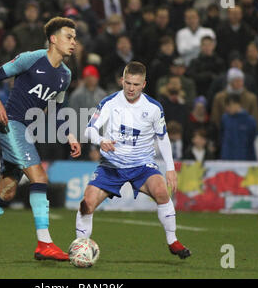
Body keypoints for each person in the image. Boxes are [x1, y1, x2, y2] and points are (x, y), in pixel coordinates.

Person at [0, 17, 81, 265]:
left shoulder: (65, 76)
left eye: (75, 38)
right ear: (53, 39)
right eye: (69, 37)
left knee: (7, 191)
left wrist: (68, 134)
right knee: (40, 178)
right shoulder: (31, 58)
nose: (73, 42)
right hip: (9, 123)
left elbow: (57, 110)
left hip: (26, 131)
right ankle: (45, 243)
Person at [77, 61, 191, 259]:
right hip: (112, 165)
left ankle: (172, 240)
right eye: (128, 83)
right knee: (87, 203)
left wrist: (170, 169)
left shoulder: (154, 108)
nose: (131, 88)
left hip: (142, 166)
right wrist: (101, 140)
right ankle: (80, 247)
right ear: (122, 80)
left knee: (162, 192)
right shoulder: (109, 103)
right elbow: (90, 129)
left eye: (136, 85)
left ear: (144, 84)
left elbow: (163, 138)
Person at [220, 93, 256, 161]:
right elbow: (221, 136)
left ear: (237, 104)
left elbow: (252, 141)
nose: (227, 109)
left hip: (243, 158)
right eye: (226, 106)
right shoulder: (225, 118)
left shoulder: (249, 121)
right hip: (226, 158)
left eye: (229, 106)